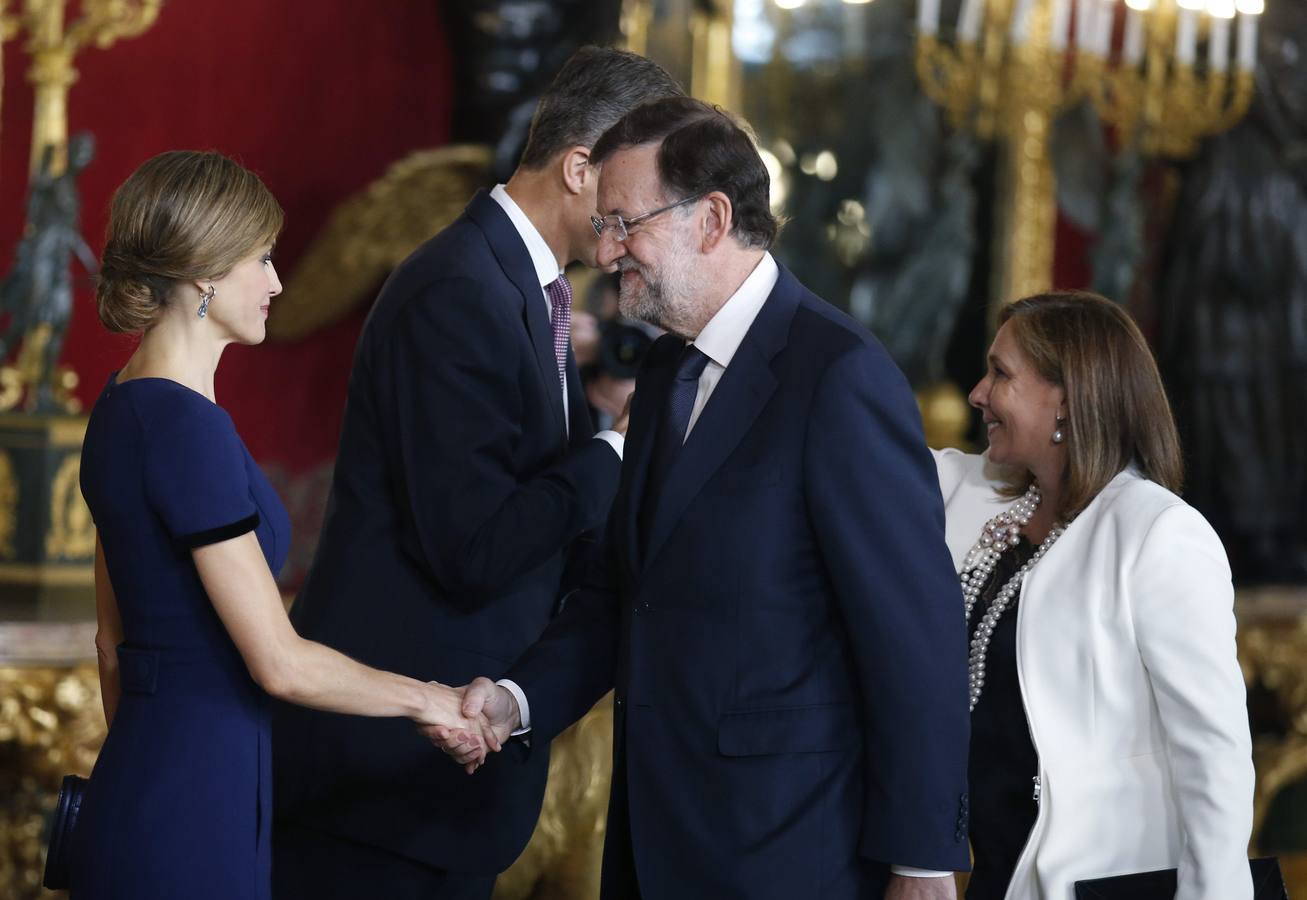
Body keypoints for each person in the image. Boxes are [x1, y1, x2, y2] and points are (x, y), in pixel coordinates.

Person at [440, 97, 971, 900]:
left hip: (788, 851)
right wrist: (517, 701)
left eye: (625, 223)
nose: (605, 248)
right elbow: (625, 591)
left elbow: (912, 635)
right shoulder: (661, 375)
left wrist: (921, 860)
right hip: (655, 841)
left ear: (711, 219)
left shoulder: (838, 377)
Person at [271, 47, 683, 900]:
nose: (643, 225)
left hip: (438, 790)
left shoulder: (527, 291)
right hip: (379, 796)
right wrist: (616, 446)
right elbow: (474, 546)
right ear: (581, 169)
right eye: (640, 193)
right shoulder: (456, 289)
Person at [71, 151, 482, 900]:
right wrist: (430, 698)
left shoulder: (121, 405)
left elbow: (110, 643)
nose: (277, 283)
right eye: (262, 258)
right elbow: (280, 664)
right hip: (197, 801)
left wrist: (152, 774)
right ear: (204, 271)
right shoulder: (183, 428)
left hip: (153, 784)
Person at [932, 291, 1254, 900]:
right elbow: (870, 456)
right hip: (994, 876)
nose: (977, 393)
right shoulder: (983, 496)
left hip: (1094, 885)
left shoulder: (1159, 533)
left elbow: (1215, 762)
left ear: (1068, 398)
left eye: (1001, 374)